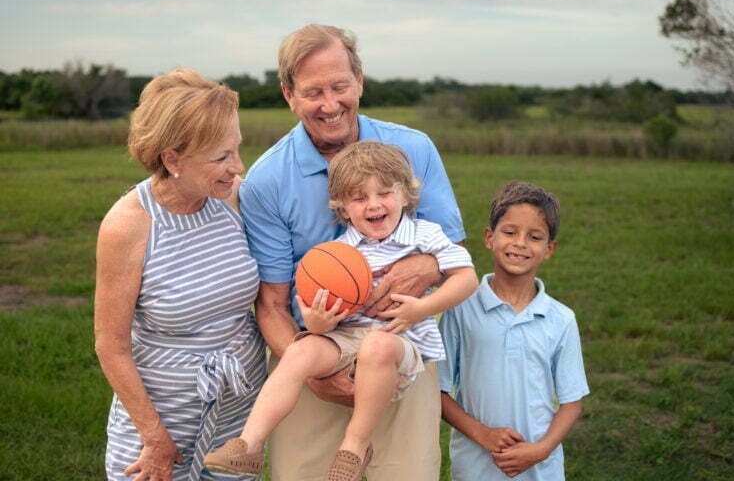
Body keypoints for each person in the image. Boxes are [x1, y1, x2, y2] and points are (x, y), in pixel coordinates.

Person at [238, 24, 466, 480]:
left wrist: (424, 264)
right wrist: (316, 374)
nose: (329, 104)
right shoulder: (266, 181)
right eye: (312, 92)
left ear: (359, 80)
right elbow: (271, 303)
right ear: (288, 95)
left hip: (402, 352)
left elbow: (453, 251)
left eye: (340, 86)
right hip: (313, 354)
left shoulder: (414, 148)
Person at [205, 142, 477, 479]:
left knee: (377, 346)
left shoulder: (425, 235)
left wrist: (422, 308)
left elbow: (466, 279)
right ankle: (248, 445)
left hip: (399, 342)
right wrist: (317, 323)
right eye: (359, 198)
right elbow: (318, 321)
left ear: (406, 195)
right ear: (343, 209)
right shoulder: (336, 254)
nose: (374, 204)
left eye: (384, 193)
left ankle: (353, 447)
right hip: (346, 338)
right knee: (300, 350)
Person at [94, 68, 266, 481]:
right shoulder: (129, 225)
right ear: (172, 159)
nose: (237, 167)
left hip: (236, 418)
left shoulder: (234, 199)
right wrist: (154, 438)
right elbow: (111, 345)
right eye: (221, 157)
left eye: (237, 150)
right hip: (159, 420)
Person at [439, 180, 590, 481]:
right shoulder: (460, 307)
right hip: (476, 468)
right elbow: (437, 391)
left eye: (534, 237)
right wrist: (482, 434)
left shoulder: (561, 318)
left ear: (549, 249)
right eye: (509, 232)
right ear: (488, 238)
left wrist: (542, 450)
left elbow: (572, 403)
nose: (520, 243)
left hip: (540, 469)